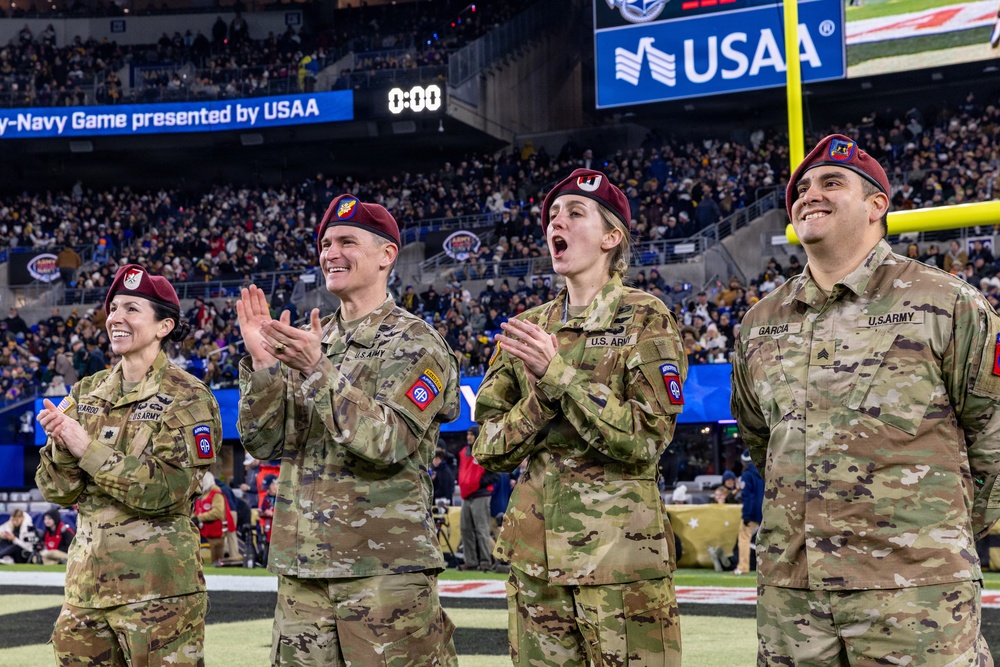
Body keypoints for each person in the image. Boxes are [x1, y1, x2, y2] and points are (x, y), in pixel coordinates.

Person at [731, 134, 999, 664]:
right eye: (802, 188)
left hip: (915, 592)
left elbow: (993, 433)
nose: (810, 194)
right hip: (794, 597)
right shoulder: (759, 323)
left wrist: (935, 541)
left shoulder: (945, 301)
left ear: (878, 204)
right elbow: (762, 442)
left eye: (832, 182)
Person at [474, 168, 686, 666]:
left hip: (622, 565)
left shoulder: (645, 317)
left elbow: (647, 439)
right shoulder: (527, 328)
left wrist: (558, 376)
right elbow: (487, 447)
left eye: (574, 213)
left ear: (612, 237)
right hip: (534, 567)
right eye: (551, 215)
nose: (555, 224)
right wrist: (543, 398)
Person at [237, 194, 460, 666]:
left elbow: (389, 440)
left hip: (384, 571)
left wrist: (318, 369)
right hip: (303, 572)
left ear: (386, 256)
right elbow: (265, 443)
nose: (330, 253)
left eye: (346, 241)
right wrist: (263, 369)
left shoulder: (414, 341)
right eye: (324, 243)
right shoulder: (309, 341)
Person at [35, 263, 221, 666]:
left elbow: (167, 491)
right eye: (114, 307)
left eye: (132, 309)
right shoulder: (87, 391)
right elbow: (57, 490)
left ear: (164, 326)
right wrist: (62, 446)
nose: (116, 318)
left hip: (158, 593)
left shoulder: (188, 396)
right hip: (85, 592)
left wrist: (86, 448)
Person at [195, 471, 236, 567]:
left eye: (201, 481)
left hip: (215, 530)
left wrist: (199, 518)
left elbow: (217, 512)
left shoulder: (216, 494)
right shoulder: (203, 494)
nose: (199, 483)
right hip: (204, 530)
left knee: (216, 559)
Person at [734, 450, 762, 576]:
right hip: (766, 510)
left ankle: (743, 567)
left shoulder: (747, 475)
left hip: (752, 512)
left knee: (744, 538)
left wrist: (746, 515)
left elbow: (748, 496)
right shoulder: (765, 472)